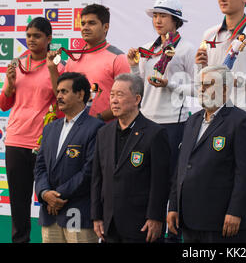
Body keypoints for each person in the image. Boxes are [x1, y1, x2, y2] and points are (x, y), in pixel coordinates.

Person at [126, 0, 196, 242]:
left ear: (175, 20)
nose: (157, 20)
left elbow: (200, 88)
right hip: (146, 122)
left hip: (173, 124)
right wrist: (134, 66)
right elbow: (141, 87)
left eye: (163, 16)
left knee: (172, 184)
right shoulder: (148, 48)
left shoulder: (187, 49)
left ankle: (172, 237)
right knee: (145, 179)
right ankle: (145, 231)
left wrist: (171, 84)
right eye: (155, 16)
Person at [167, 65, 246, 243]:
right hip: (189, 219)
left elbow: (245, 174)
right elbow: (180, 168)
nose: (202, 89)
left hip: (223, 222)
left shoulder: (242, 122)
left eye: (208, 84)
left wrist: (235, 211)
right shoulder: (192, 121)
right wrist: (173, 206)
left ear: (225, 89)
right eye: (200, 84)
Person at [0, 17, 63, 243]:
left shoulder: (57, 63)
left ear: (49, 39)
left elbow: (62, 101)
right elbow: (4, 104)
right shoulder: (18, 63)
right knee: (18, 200)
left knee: (50, 198)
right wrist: (8, 82)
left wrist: (53, 70)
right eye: (28, 36)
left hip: (43, 142)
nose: (31, 40)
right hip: (16, 140)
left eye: (37, 36)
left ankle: (53, 239)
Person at [91, 73, 171, 243]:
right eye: (112, 95)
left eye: (120, 95)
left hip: (142, 225)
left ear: (137, 99)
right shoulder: (103, 133)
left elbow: (161, 182)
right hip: (109, 225)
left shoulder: (155, 134)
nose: (113, 100)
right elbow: (97, 178)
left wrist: (155, 217)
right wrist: (96, 216)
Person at [34, 72, 104, 243]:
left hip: (79, 212)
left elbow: (89, 171)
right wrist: (44, 193)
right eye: (58, 92)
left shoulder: (97, 128)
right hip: (50, 214)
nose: (58, 96)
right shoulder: (50, 128)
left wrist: (56, 196)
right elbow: (40, 166)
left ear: (80, 95)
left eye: (64, 92)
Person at [48, 3, 130, 122]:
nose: (85, 27)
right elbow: (61, 96)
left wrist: (97, 119)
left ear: (105, 27)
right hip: (75, 129)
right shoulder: (73, 58)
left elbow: (127, 99)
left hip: (105, 131)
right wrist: (52, 68)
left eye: (91, 23)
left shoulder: (118, 58)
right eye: (83, 23)